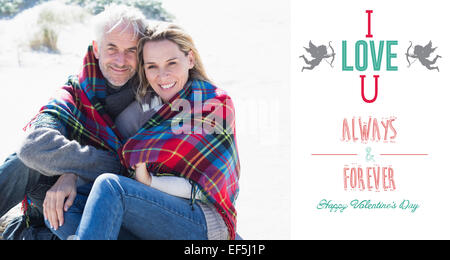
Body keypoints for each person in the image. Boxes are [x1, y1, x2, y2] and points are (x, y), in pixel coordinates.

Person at [47, 22, 241, 240]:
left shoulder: (213, 103)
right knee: (63, 205)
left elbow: (201, 188)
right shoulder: (146, 106)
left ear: (190, 59)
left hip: (202, 220)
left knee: (111, 186)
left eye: (171, 63)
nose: (162, 75)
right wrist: (70, 175)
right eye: (152, 66)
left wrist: (149, 182)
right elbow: (109, 147)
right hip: (150, 212)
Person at [0, 4, 147, 239]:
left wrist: (76, 177)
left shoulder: (150, 98)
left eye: (131, 50)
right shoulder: (76, 91)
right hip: (53, 197)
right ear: (97, 49)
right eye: (112, 48)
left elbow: (137, 172)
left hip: (111, 201)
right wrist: (69, 173)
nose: (121, 60)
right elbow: (34, 146)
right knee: (23, 162)